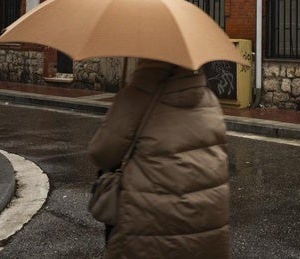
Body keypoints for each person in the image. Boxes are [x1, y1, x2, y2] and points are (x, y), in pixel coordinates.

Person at [88, 59, 230, 258]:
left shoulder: (135, 96)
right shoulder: (210, 102)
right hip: (205, 229)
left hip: (147, 230)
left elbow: (101, 153)